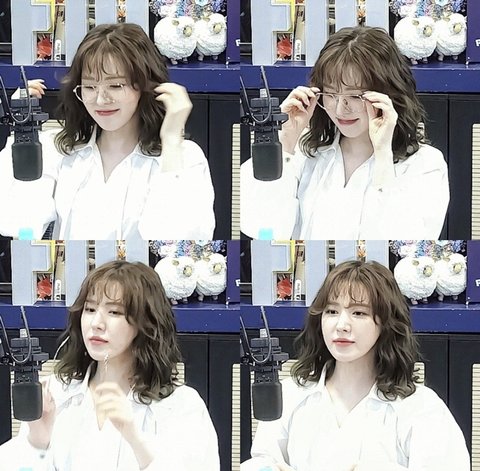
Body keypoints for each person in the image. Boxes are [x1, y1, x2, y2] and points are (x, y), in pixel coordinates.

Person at [241, 260, 469, 471]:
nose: (341, 325)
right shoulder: (291, 394)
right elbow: (264, 458)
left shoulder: (421, 408)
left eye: (359, 313)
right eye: (332, 311)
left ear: (387, 323)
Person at [0, 22, 215, 240]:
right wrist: (22, 134)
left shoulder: (183, 156)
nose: (101, 100)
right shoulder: (58, 148)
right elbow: (21, 226)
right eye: (90, 87)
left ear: (145, 86)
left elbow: (176, 237)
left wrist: (171, 140)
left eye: (115, 86)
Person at [0, 260, 220, 470]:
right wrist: (37, 441)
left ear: (146, 323)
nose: (96, 323)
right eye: (90, 309)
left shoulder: (181, 405)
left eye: (114, 312)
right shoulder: (55, 393)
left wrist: (135, 439)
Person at [241, 26, 449, 240]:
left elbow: (397, 241)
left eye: (355, 96)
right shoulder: (306, 151)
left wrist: (383, 155)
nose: (340, 109)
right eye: (331, 94)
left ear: (388, 94)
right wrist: (284, 142)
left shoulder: (425, 164)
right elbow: (264, 231)